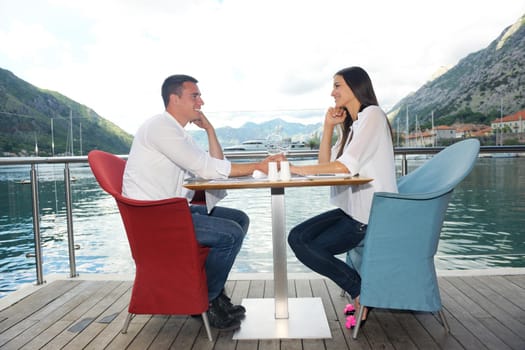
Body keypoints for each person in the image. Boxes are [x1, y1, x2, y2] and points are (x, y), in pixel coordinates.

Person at [122, 74, 283, 331]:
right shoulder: (160, 127)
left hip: (172, 211)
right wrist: (257, 166)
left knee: (239, 219)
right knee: (230, 234)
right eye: (194, 95)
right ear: (174, 99)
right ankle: (205, 301)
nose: (201, 101)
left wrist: (210, 130)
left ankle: (212, 295)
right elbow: (207, 168)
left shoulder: (179, 135)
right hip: (154, 219)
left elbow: (212, 166)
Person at [287, 66, 397, 327]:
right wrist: (328, 127)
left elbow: (346, 167)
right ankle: (359, 288)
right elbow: (327, 164)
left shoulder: (373, 115)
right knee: (297, 238)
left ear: (355, 87)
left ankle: (359, 290)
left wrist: (296, 170)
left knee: (304, 246)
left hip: (369, 215)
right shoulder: (354, 126)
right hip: (352, 212)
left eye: (337, 85)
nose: (332, 92)